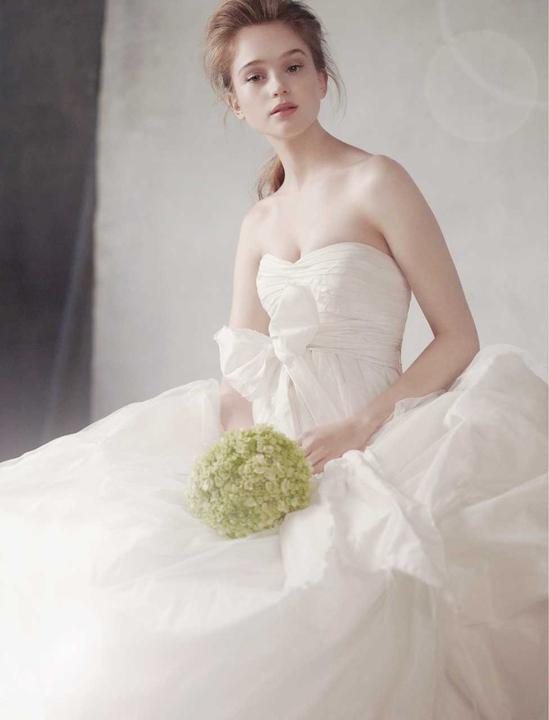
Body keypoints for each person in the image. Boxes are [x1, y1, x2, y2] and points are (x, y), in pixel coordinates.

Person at [0, 1, 547, 718]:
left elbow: (457, 338)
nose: (278, 86)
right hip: (282, 456)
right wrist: (244, 469)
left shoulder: (377, 181)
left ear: (321, 79)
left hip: (381, 441)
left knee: (366, 608)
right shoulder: (258, 222)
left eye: (293, 67)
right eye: (254, 76)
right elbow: (242, 376)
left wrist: (358, 429)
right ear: (235, 101)